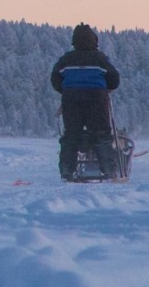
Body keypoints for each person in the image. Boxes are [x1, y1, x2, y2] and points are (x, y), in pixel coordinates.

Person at [50, 22, 120, 181]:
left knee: (71, 135)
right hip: (96, 99)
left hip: (71, 99)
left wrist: (66, 90)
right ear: (94, 41)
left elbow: (55, 78)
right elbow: (114, 79)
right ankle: (109, 170)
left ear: (74, 40)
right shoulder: (100, 59)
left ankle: (67, 171)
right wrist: (104, 88)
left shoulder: (66, 59)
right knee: (101, 134)